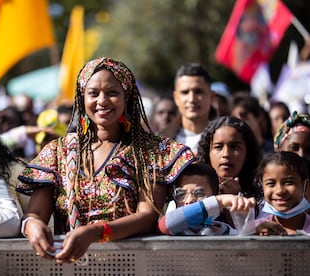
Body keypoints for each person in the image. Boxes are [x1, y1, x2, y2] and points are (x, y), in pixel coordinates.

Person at [16, 57, 194, 264]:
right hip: (70, 266)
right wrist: (32, 225)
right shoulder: (58, 152)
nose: (102, 101)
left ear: (126, 97)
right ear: (82, 98)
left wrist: (96, 233)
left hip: (132, 265)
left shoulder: (150, 151)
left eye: (112, 93)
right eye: (93, 93)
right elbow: (35, 213)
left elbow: (147, 217)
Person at [197, 116, 263, 226]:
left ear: (247, 153)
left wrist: (235, 199)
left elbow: (247, 234)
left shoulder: (261, 194)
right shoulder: (193, 189)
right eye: (218, 147)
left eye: (235, 147)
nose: (226, 154)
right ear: (207, 151)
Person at [158, 163, 255, 235]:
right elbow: (166, 225)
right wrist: (220, 201)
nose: (189, 200)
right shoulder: (177, 230)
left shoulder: (228, 233)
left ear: (214, 196)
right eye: (181, 194)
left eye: (199, 193)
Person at [163, 63, 215, 154]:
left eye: (198, 92)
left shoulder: (224, 140)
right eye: (185, 92)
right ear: (176, 97)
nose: (192, 99)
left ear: (211, 96)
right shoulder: (159, 142)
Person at [255, 151, 310, 235]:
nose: (279, 191)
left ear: (305, 186)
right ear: (262, 186)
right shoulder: (255, 228)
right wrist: (253, 231)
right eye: (271, 184)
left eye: (288, 182)